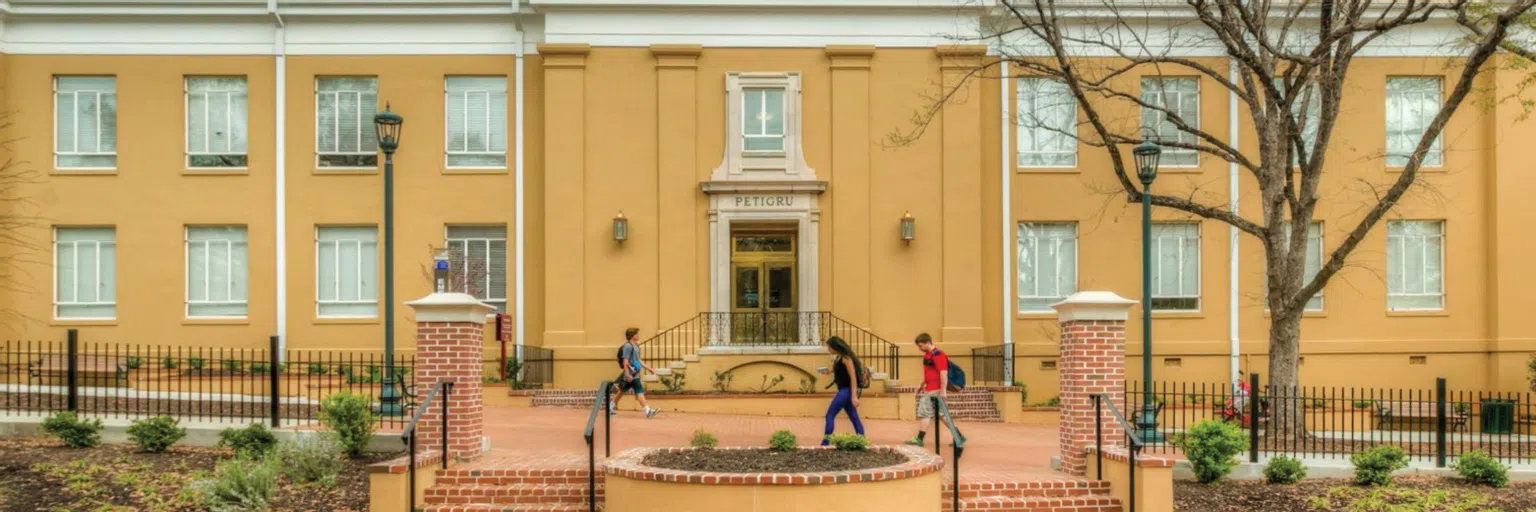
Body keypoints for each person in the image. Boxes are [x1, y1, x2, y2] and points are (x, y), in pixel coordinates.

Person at [818, 336, 866, 445]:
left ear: (835, 347)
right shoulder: (839, 357)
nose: (828, 349)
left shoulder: (846, 358)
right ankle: (862, 440)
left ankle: (825, 443)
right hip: (844, 390)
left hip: (846, 391)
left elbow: (853, 378)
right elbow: (837, 369)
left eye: (829, 347)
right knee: (854, 417)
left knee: (829, 415)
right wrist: (828, 371)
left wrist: (854, 396)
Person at [906, 332, 946, 446]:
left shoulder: (938, 354)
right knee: (942, 415)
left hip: (934, 389)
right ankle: (959, 436)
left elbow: (943, 373)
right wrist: (920, 384)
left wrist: (943, 390)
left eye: (921, 345)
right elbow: (928, 372)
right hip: (930, 388)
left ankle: (919, 439)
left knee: (924, 413)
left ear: (928, 342)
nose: (920, 348)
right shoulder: (928, 355)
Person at [610, 327, 659, 418]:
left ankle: (610, 407)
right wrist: (627, 374)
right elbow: (625, 361)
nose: (638, 335)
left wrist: (649, 369)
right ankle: (647, 410)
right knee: (639, 390)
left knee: (621, 391)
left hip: (634, 373)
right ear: (632, 336)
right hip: (630, 374)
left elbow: (638, 360)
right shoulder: (628, 346)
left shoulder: (636, 346)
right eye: (636, 334)